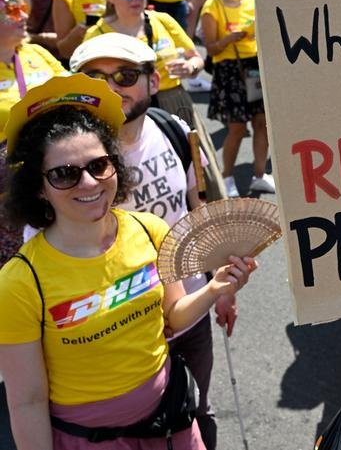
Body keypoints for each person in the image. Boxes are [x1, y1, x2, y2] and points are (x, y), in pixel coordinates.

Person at [0, 72, 256, 449]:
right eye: (64, 174)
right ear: (38, 188)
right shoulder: (20, 283)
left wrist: (215, 287)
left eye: (98, 165)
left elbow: (173, 317)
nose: (88, 183)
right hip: (89, 441)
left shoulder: (148, 228)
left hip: (171, 426)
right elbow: (27, 402)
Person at [70, 32, 236, 450]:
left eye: (125, 75)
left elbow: (195, 208)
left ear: (153, 82)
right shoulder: (68, 163)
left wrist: (221, 288)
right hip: (122, 326)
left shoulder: (174, 129)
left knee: (196, 410)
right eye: (94, 78)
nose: (111, 88)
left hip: (192, 308)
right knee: (133, 433)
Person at [84, 0, 226, 203]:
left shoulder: (162, 19)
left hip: (174, 102)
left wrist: (190, 66)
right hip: (125, 112)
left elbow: (196, 56)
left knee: (195, 169)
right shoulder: (97, 33)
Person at [0, 0, 65, 266]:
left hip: (52, 173)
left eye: (23, 8)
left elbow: (72, 92)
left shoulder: (36, 53)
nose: (24, 16)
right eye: (12, 10)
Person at [201, 0, 274, 197]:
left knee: (262, 123)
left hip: (254, 66)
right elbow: (210, 48)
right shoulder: (213, 5)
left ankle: (260, 175)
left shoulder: (252, 1)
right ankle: (227, 176)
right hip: (229, 70)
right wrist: (229, 39)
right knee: (237, 128)